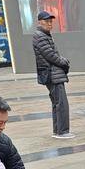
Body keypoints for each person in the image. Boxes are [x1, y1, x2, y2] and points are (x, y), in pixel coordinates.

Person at [32, 11, 74, 140]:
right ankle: (62, 131)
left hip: (53, 73)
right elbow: (50, 55)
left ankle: (58, 131)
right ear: (40, 22)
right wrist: (64, 61)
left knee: (57, 103)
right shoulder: (40, 36)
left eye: (51, 21)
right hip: (52, 74)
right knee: (61, 103)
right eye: (47, 21)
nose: (50, 24)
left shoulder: (44, 35)